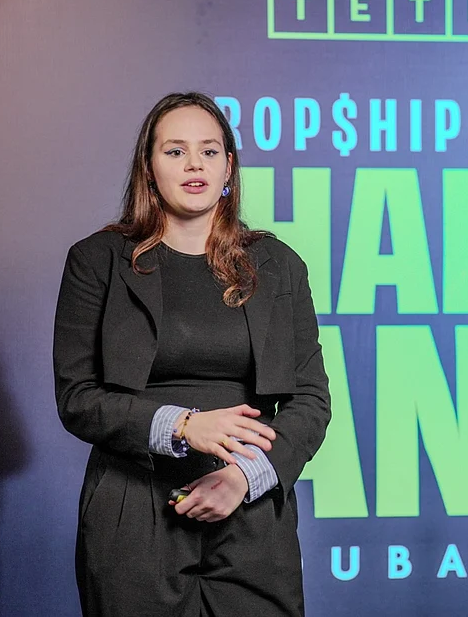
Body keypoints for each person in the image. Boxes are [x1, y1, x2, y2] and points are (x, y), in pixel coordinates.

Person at [53, 91, 331, 616]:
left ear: (228, 165)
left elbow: (311, 400)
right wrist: (184, 426)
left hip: (251, 513)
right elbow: (78, 398)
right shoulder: (97, 261)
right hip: (133, 510)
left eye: (209, 150)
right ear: (149, 167)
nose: (194, 164)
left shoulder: (278, 265)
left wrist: (245, 477)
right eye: (175, 151)